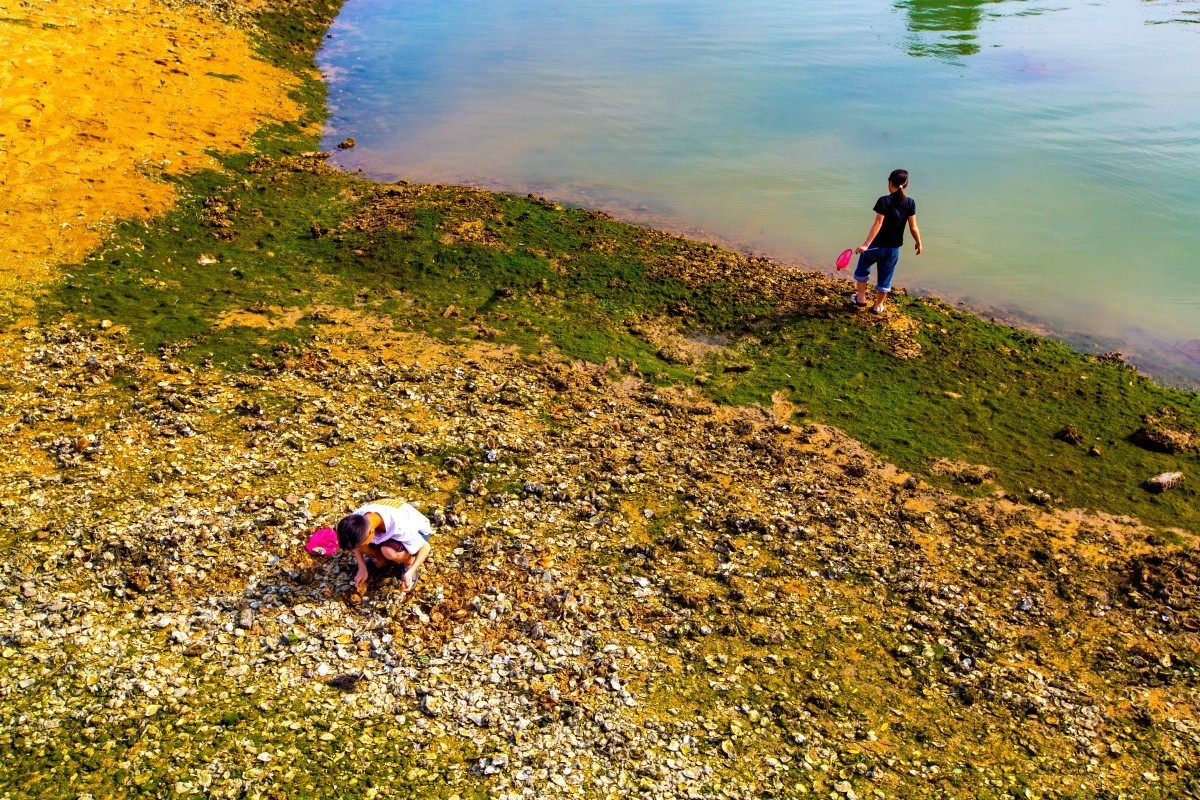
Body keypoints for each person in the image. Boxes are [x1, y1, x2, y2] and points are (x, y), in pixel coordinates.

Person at [850, 169, 923, 314]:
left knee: (862, 270)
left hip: (875, 247)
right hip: (892, 249)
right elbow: (913, 227)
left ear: (890, 183)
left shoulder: (884, 200)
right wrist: (919, 243)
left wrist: (865, 245)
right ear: (906, 185)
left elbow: (878, 224)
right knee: (885, 277)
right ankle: (878, 306)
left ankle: (861, 298)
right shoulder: (910, 203)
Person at [335, 499, 432, 593]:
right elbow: (354, 545)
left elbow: (425, 547)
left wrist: (411, 571)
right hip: (386, 525)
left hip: (418, 532)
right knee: (360, 545)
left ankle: (408, 562)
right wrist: (362, 567)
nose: (356, 549)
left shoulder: (400, 526)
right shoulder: (355, 520)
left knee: (388, 551)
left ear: (371, 532)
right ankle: (382, 561)